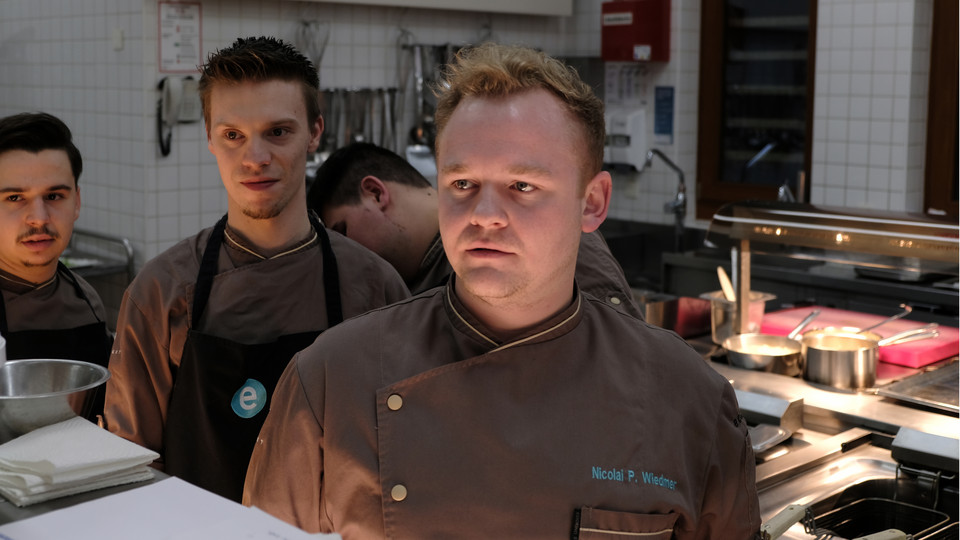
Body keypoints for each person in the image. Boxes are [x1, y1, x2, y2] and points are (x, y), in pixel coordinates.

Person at [244, 43, 760, 538]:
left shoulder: (688, 399)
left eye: (523, 186)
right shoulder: (330, 381)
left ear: (592, 203)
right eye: (463, 184)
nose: (484, 215)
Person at [104, 36, 409, 502]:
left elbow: (400, 451)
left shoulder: (374, 286)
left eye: (278, 132)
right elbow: (130, 466)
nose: (255, 158)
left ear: (315, 132)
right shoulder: (161, 292)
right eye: (233, 135)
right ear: (209, 137)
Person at [308, 141, 644, 319]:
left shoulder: (543, 236)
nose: (344, 251)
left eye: (343, 231)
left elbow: (620, 356)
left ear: (376, 193)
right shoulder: (404, 285)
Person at [0, 112, 112, 419]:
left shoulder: (86, 300)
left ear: (76, 202)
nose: (39, 217)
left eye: (54, 195)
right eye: (14, 197)